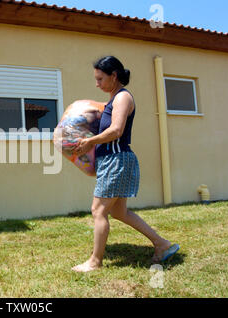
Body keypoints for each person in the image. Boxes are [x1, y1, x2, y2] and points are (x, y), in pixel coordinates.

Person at [71, 56, 179, 272]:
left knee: (98, 210)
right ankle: (162, 244)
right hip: (114, 160)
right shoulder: (113, 100)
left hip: (116, 160)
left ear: (114, 76)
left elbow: (116, 130)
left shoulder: (123, 98)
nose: (97, 84)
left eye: (100, 79)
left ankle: (95, 262)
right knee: (119, 212)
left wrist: (89, 142)